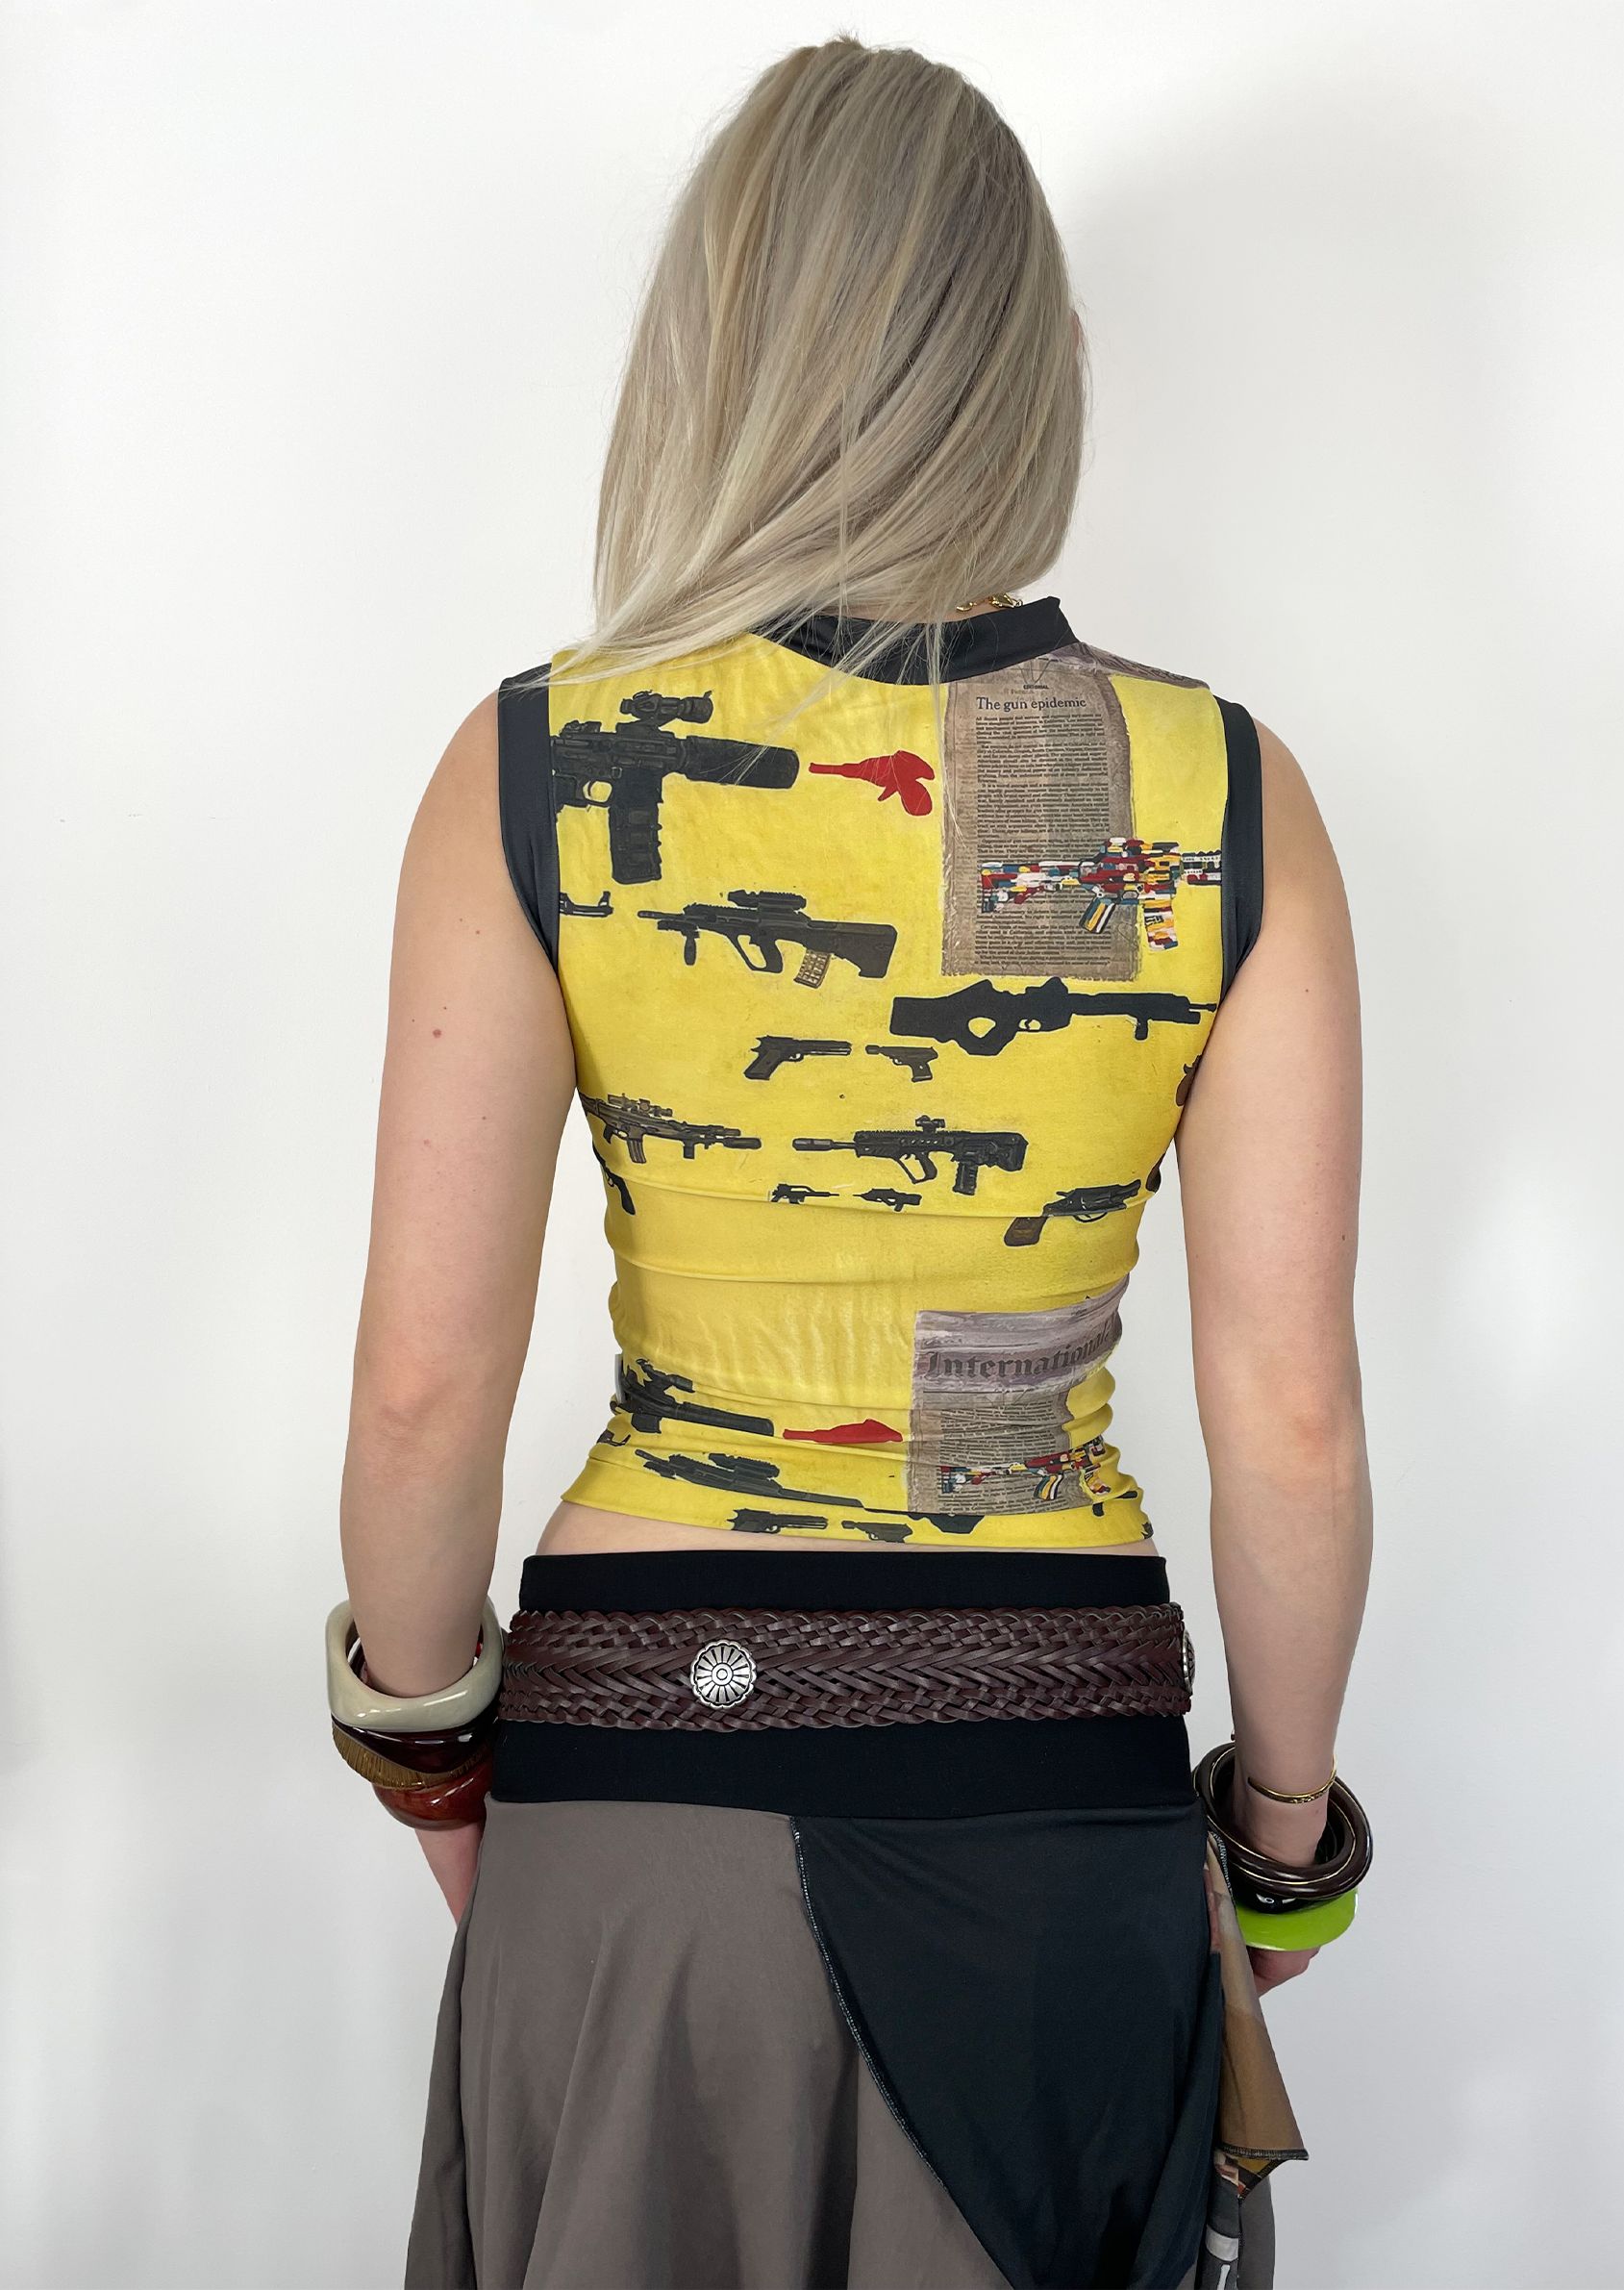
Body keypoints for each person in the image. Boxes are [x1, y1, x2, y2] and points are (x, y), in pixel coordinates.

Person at [329, 36, 1371, 2290]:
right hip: (1053, 1792)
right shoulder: (1208, 794)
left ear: (715, 347)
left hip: (637, 1780)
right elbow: (1285, 1412)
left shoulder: (538, 766)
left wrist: (435, 1761)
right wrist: (1282, 1838)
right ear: (1034, 366)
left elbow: (422, 1387)